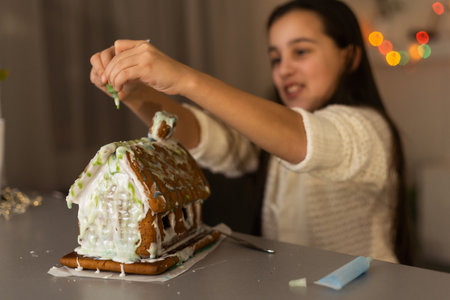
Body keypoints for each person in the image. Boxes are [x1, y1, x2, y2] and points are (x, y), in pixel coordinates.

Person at [89, 0, 413, 264]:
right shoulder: (271, 134)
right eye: (276, 57)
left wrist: (185, 79)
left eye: (301, 51)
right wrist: (135, 94)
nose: (284, 69)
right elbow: (205, 136)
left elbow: (304, 139)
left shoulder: (369, 129)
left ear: (350, 55)